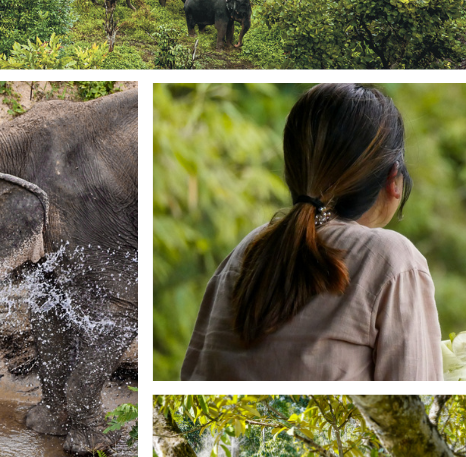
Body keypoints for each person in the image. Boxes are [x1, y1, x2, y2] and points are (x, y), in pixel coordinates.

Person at [181, 83, 444, 381]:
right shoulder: (392, 260)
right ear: (394, 179)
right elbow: (415, 410)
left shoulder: (245, 250)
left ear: (294, 171)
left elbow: (192, 374)